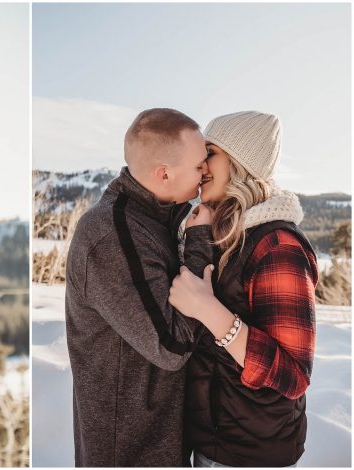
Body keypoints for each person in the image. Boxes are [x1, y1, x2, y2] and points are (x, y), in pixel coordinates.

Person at [64, 108, 214, 466]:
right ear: (164, 174)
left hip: (163, 442)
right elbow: (172, 346)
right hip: (130, 452)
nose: (206, 171)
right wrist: (199, 243)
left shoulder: (156, 219)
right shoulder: (110, 236)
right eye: (199, 165)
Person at [170, 111, 317, 467]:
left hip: (252, 455)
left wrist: (209, 311)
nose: (201, 165)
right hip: (209, 442)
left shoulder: (277, 245)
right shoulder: (225, 237)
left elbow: (293, 375)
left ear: (240, 163)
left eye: (210, 153)